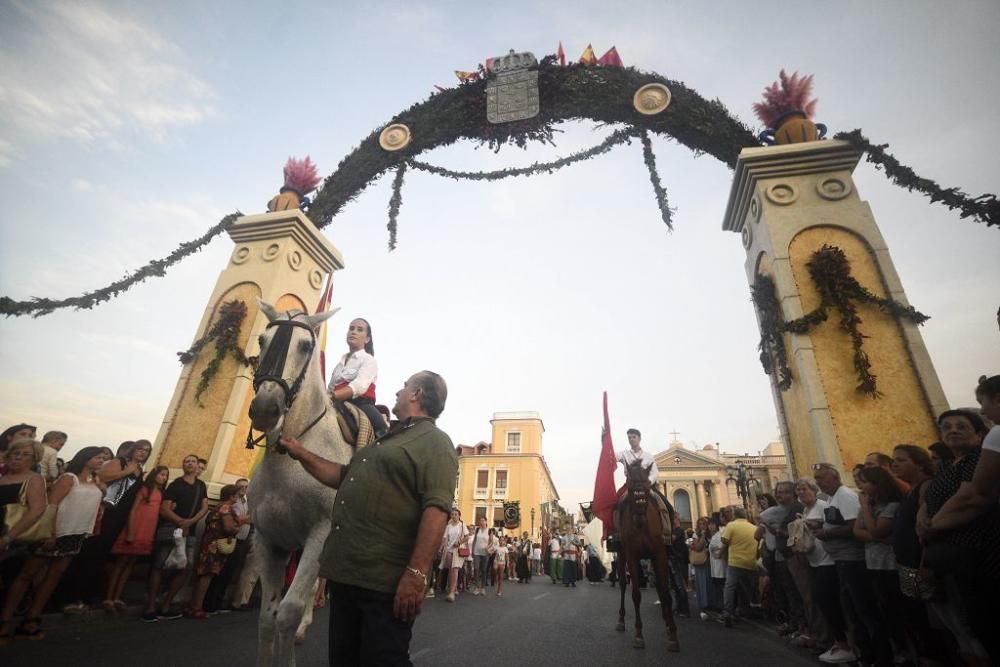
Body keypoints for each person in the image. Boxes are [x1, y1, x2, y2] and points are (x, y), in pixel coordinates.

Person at [281, 371, 457, 665]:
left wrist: (416, 575)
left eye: (405, 386)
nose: (399, 391)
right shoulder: (383, 441)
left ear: (417, 395)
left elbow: (437, 510)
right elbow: (341, 475)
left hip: (383, 584)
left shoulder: (435, 442)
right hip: (347, 575)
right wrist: (300, 453)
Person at [1, 446, 105, 641]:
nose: (102, 460)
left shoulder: (97, 482)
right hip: (55, 531)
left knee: (54, 576)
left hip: (75, 533)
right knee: (28, 574)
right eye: (98, 457)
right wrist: (51, 533)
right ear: (85, 458)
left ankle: (32, 617)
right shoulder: (69, 478)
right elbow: (52, 504)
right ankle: (5, 620)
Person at [918, 409, 997, 663]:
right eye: (947, 427)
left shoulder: (977, 459)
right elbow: (930, 499)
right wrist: (922, 518)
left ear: (979, 434)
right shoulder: (947, 466)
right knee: (958, 623)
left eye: (961, 426)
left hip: (973, 550)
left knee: (979, 620)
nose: (952, 430)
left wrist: (932, 527)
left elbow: (970, 498)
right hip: (944, 555)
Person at [812, 463, 889, 665]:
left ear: (835, 477)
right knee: (853, 610)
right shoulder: (831, 498)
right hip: (842, 561)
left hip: (853, 561)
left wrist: (826, 533)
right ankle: (864, 653)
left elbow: (852, 526)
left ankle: (877, 656)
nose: (818, 482)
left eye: (822, 478)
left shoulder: (845, 496)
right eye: (816, 478)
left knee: (863, 610)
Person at [64, 439, 151, 611]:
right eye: (140, 449)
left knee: (101, 557)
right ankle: (71, 597)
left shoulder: (141, 470)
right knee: (89, 552)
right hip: (105, 512)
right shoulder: (120, 462)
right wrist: (126, 471)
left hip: (120, 516)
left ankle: (86, 597)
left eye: (146, 450)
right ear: (133, 450)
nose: (142, 452)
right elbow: (101, 477)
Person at [142, 453, 209, 622]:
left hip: (190, 532)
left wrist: (190, 522)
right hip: (171, 529)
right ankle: (150, 607)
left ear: (198, 466)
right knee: (160, 566)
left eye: (193, 461)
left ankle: (165, 605)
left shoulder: (201, 485)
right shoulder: (175, 485)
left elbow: (204, 507)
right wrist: (180, 522)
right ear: (183, 466)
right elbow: (164, 508)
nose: (190, 464)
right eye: (186, 462)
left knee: (185, 568)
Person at [852, 466, 905, 662]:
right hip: (873, 564)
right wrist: (879, 537)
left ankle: (906, 652)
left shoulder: (891, 505)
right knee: (884, 611)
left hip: (890, 565)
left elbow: (876, 531)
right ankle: (896, 652)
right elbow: (857, 531)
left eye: (864, 481)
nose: (861, 485)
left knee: (898, 612)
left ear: (877, 484)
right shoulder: (871, 506)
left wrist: (865, 507)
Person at [105, 465, 169, 611]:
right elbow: (133, 510)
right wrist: (130, 531)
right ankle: (108, 597)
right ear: (154, 475)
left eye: (166, 475)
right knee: (120, 563)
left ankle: (117, 597)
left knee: (130, 565)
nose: (163, 478)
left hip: (147, 531)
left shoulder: (161, 493)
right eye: (161, 474)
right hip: (135, 528)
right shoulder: (144, 490)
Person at [795, 477, 845, 661]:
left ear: (814, 490)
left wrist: (817, 526)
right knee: (822, 602)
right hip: (814, 561)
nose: (801, 492)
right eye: (799, 490)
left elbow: (835, 527)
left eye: (804, 489)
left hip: (828, 561)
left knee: (831, 603)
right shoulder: (805, 510)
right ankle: (834, 641)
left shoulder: (823, 506)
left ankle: (841, 643)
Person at [756, 481, 805, 637]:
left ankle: (803, 628)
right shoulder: (781, 510)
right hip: (781, 556)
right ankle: (794, 624)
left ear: (792, 494)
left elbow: (789, 532)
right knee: (787, 591)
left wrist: (777, 530)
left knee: (795, 592)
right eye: (777, 492)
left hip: (792, 557)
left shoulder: (795, 509)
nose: (779, 495)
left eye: (783, 492)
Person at [187, 484, 241, 619]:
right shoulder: (226, 508)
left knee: (203, 574)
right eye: (236, 495)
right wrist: (238, 526)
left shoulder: (219, 506)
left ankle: (193, 605)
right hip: (215, 546)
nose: (238, 497)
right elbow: (229, 528)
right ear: (231, 496)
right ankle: (197, 607)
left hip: (210, 543)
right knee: (207, 575)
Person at [328, 318, 386, 437]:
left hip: (361, 404)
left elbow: (359, 386)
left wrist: (333, 396)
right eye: (351, 328)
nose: (353, 332)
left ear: (367, 339)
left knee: (382, 431)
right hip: (336, 403)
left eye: (359, 330)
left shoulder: (368, 360)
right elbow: (330, 388)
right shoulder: (339, 365)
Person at [205, 477, 253, 613]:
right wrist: (244, 520)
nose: (244, 489)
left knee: (228, 573)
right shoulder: (230, 505)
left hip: (240, 541)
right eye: (241, 487)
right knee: (219, 573)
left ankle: (218, 602)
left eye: (246, 487)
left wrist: (245, 519)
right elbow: (237, 521)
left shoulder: (246, 502)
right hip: (228, 540)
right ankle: (211, 603)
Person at [617, 428, 672, 542]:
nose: (631, 439)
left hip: (646, 486)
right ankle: (618, 533)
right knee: (618, 504)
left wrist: (647, 483)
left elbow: (654, 472)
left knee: (665, 505)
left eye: (634, 437)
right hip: (631, 487)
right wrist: (604, 441)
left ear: (639, 439)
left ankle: (668, 533)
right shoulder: (624, 454)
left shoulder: (648, 456)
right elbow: (611, 457)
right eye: (629, 437)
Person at [719, 506, 756, 627]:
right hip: (751, 562)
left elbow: (724, 540)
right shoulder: (753, 527)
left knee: (730, 588)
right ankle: (744, 611)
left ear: (734, 515)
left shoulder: (732, 525)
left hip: (735, 562)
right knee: (745, 588)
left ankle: (728, 613)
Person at [668, 514, 690, 616]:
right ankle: (679, 607)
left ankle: (685, 609)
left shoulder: (679, 530)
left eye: (671, 518)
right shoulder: (674, 530)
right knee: (675, 586)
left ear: (676, 519)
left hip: (679, 560)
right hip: (674, 560)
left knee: (680, 585)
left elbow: (671, 539)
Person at [705, 517, 726, 616]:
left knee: (721, 587)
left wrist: (718, 553)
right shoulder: (714, 536)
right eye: (709, 524)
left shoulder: (720, 534)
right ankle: (720, 607)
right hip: (715, 565)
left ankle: (723, 608)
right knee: (718, 586)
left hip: (721, 565)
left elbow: (724, 546)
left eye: (712, 524)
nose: (710, 526)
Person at [469, 516, 490, 595]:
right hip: (477, 552)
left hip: (485, 553)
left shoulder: (489, 530)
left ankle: (483, 588)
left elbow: (491, 541)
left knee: (484, 570)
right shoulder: (477, 530)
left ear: (486, 521)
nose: (481, 522)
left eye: (483, 520)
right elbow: (474, 540)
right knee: (476, 569)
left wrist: (488, 548)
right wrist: (473, 551)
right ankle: (477, 587)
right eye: (480, 520)